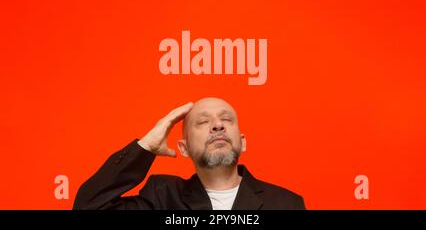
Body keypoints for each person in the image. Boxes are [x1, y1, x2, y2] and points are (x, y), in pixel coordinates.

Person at [73, 97, 306, 210]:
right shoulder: (161, 197)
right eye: (203, 122)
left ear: (242, 143)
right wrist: (145, 146)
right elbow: (88, 207)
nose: (217, 126)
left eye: (226, 120)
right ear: (183, 148)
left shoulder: (286, 204)